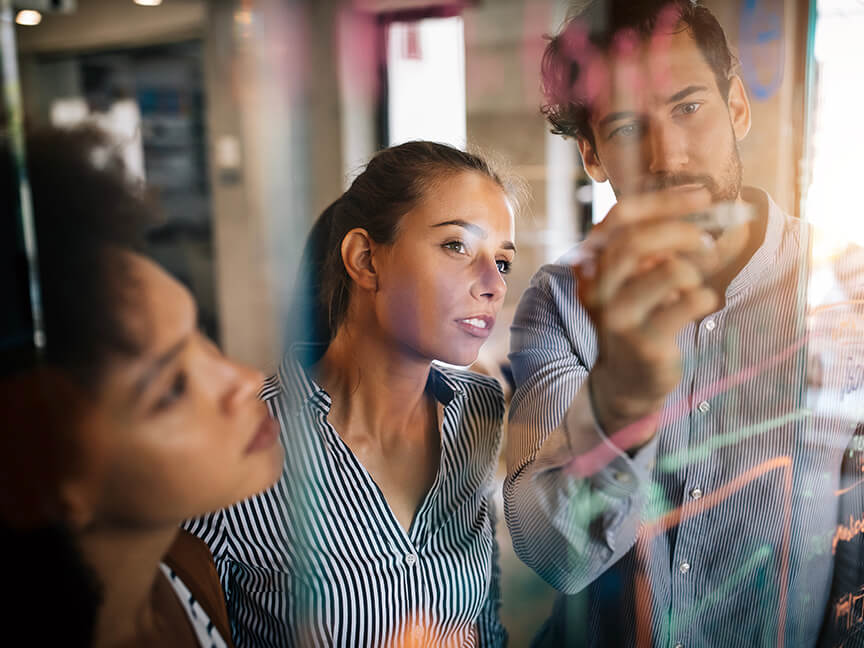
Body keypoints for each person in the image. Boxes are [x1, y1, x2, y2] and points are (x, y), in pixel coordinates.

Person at [504, 1, 864, 646]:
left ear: (737, 109)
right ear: (592, 154)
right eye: (625, 127)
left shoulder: (845, 295)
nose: (668, 155)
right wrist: (622, 397)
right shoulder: (560, 302)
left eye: (689, 108)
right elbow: (559, 557)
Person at [186, 141, 519, 647]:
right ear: (365, 259)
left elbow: (486, 625)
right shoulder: (242, 441)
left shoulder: (479, 411)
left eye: (502, 261)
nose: (492, 283)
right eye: (457, 246)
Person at [0, 127, 285, 648]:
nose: (247, 382)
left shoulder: (188, 572)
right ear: (38, 464)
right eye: (172, 389)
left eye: (202, 337)